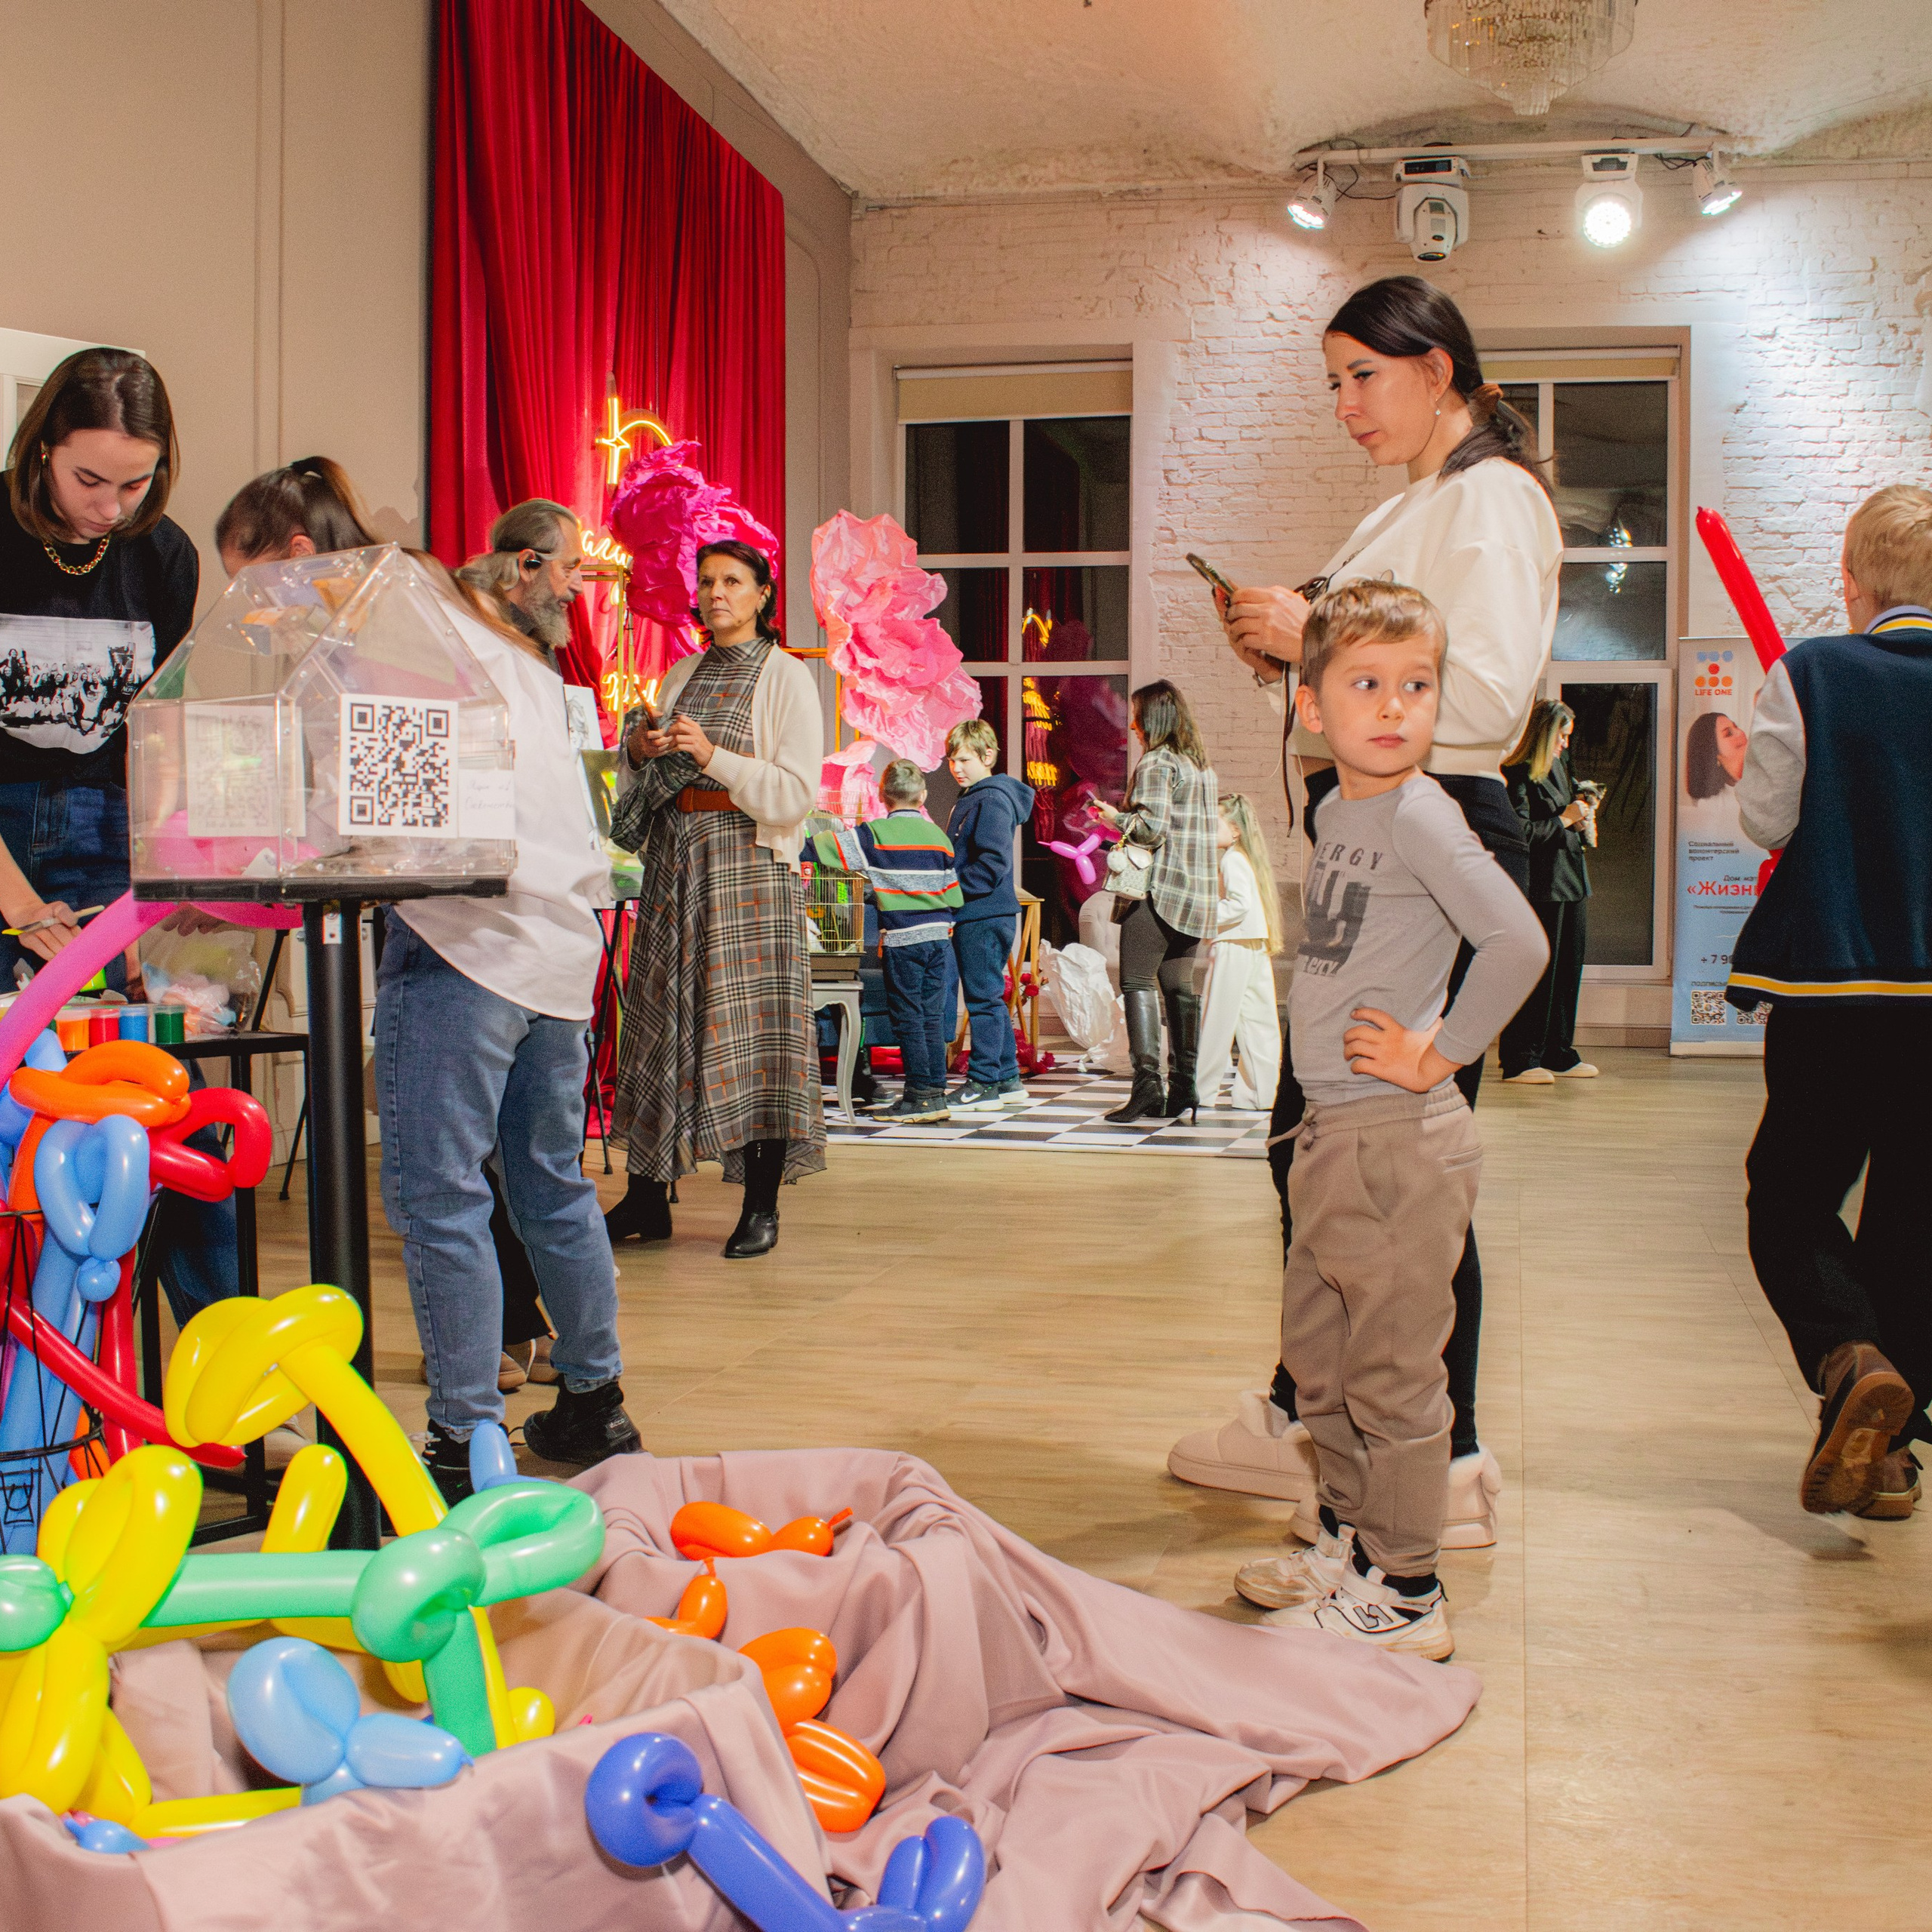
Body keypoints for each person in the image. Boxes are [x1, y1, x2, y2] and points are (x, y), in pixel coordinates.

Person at [1169, 275, 1559, 1551]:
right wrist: (1301, 656)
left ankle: (1439, 1462)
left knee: (1390, 1168)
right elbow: (1390, 676)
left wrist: (1317, 627)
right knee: (1327, 1152)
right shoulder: (1419, 504)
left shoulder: (1491, 501)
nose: (1344, 405)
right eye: (1332, 380)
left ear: (1440, 367)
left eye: (1363, 376)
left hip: (1431, 842)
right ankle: (1319, 1420)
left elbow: (1489, 698)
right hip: (1376, 840)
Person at [1234, 582, 1546, 1657]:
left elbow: (1518, 941)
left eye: (1417, 686)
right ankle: (1357, 1543)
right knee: (1320, 1363)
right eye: (1366, 684)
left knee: (1395, 1376)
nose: (1394, 707)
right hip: (1331, 1133)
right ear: (1310, 705)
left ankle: (1407, 1586)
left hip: (1399, 1141)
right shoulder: (1338, 807)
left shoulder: (1421, 812)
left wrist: (1441, 1052)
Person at [215, 458, 557, 1391]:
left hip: (456, 931)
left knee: (436, 1179)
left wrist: (312, 838)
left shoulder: (382, 629)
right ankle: (538, 1360)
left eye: (251, 591)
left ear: (293, 555)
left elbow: (406, 792)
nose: (250, 618)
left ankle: (466, 1402)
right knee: (494, 1172)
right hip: (487, 927)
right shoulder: (406, 606)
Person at [369, 549, 635, 1502]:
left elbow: (400, 814)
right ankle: (595, 1401)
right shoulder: (528, 663)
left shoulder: (419, 653)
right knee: (550, 1189)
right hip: (557, 956)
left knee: (441, 1201)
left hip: (463, 944)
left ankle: (460, 1434)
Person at [1727, 484, 1932, 1521]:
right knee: (1915, 1220)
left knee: (1793, 1198)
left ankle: (1848, 1357)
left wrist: (1739, 768)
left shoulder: (1809, 671)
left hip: (1837, 987)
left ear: (1850, 581)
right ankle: (1890, 1459)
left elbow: (1770, 821)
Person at [601, 540, 823, 1258]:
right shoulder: (682, 673)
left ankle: (761, 1203)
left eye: (734, 581)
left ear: (763, 595)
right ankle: (646, 1196)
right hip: (675, 864)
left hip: (749, 868)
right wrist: (640, 752)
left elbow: (795, 795)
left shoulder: (787, 677)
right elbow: (648, 782)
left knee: (752, 1033)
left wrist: (710, 756)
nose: (717, 592)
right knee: (659, 1025)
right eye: (706, 581)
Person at [0, 349, 194, 990]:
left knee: (115, 1063)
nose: (111, 509)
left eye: (134, 484)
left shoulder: (165, 557)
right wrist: (21, 906)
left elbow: (153, 738)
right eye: (89, 480)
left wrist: (142, 895)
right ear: (43, 449)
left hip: (100, 823)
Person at [1091, 681, 1219, 1124]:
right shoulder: (1200, 767)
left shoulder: (1159, 762)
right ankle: (1186, 1087)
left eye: (1137, 715)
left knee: (1137, 984)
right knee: (1181, 990)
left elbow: (1150, 829)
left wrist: (1113, 818)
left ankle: (1147, 1089)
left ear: (1154, 718)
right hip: (1196, 897)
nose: (1132, 724)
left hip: (1159, 892)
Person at [844, 758, 962, 1124]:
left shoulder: (872, 834)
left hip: (902, 941)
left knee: (908, 1018)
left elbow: (820, 849)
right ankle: (934, 1095)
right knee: (930, 1016)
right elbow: (954, 896)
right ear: (923, 796)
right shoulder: (939, 839)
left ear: (882, 796)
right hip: (939, 941)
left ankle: (916, 1099)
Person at [1498, 700, 1598, 1085]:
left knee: (1568, 970)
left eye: (1568, 737)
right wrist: (1563, 820)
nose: (1564, 744)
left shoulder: (1558, 765)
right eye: (1561, 735)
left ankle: (1559, 1050)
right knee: (1540, 972)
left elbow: (1568, 813)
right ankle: (1522, 1057)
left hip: (1571, 879)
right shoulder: (1517, 772)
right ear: (1544, 733)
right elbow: (1518, 833)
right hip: (1541, 885)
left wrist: (1583, 811)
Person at [943, 718, 1035, 1112]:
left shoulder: (991, 799)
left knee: (982, 1001)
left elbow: (992, 863)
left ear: (988, 755)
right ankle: (1007, 1078)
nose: (956, 767)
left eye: (964, 759)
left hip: (982, 913)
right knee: (988, 997)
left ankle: (982, 1083)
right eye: (951, 760)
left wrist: (950, 893)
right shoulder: (977, 796)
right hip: (983, 912)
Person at [1195, 793, 1283, 1112]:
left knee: (1216, 1020)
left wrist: (1202, 915)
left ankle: (1201, 1091)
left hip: (1234, 944)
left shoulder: (1232, 859)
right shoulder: (1245, 857)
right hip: (1253, 943)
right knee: (1258, 1021)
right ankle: (1260, 1094)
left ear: (1235, 829)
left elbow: (1239, 904)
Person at [453, 499, 586, 665]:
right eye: (568, 569)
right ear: (528, 565)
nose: (578, 587)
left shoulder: (535, 638)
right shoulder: (481, 637)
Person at [1684, 709, 1749, 801]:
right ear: (1713, 752)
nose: (1741, 733)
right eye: (1728, 734)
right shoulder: (1720, 804)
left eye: (1736, 727)